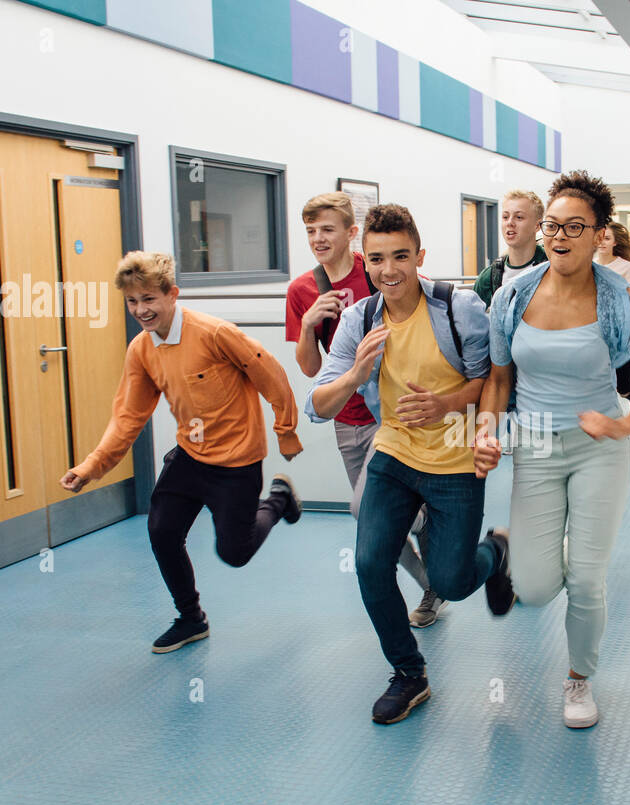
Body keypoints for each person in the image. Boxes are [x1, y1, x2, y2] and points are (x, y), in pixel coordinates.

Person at [475, 171, 630, 729]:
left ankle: (579, 679)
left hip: (597, 447)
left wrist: (623, 427)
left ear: (598, 235)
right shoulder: (510, 298)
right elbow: (497, 378)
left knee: (586, 577)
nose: (560, 236)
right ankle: (528, 554)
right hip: (535, 447)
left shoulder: (620, 306)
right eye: (552, 226)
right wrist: (487, 430)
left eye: (574, 227)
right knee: (535, 588)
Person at [305, 204, 514, 725]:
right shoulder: (361, 320)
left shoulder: (457, 308)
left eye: (401, 256)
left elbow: (487, 380)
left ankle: (496, 553)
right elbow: (317, 404)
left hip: (454, 458)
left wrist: (446, 405)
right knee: (371, 562)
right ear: (365, 261)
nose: (389, 269)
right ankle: (409, 674)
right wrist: (356, 374)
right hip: (394, 454)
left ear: (419, 257)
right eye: (377, 259)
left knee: (452, 580)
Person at [60, 251, 304, 653]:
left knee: (235, 553)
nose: (141, 310)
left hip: (237, 460)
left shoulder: (214, 333)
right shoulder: (141, 350)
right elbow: (128, 416)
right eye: (132, 302)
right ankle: (191, 619)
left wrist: (286, 430)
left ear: (172, 294)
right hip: (190, 456)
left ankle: (278, 500)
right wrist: (92, 467)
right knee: (162, 531)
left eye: (149, 299)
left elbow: (270, 372)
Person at [285, 192, 440, 627]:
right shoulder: (302, 290)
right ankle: (432, 581)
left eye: (328, 229)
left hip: (392, 414)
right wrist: (310, 324)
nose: (318, 238)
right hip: (348, 420)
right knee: (377, 514)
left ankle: (435, 546)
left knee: (365, 509)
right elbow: (312, 368)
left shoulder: (376, 269)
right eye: (311, 231)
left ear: (351, 234)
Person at [594, 221, 630, 407]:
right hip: (597, 333)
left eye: (607, 238)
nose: (603, 242)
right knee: (602, 384)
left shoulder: (625, 267)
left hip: (621, 335)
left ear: (615, 242)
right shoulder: (590, 266)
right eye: (600, 237)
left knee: (622, 387)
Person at [471, 190, 548, 307]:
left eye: (519, 217)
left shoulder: (552, 268)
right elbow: (473, 321)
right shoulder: (489, 278)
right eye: (505, 217)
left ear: (537, 225)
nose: (510, 223)